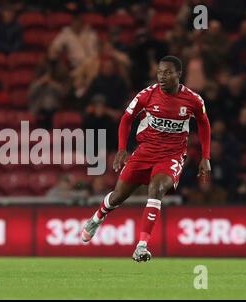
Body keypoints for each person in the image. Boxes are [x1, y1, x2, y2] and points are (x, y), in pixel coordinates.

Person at [81, 56, 211, 263]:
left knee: (157, 188)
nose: (162, 76)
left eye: (168, 73)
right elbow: (126, 119)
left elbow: (204, 124)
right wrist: (122, 149)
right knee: (117, 197)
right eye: (160, 72)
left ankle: (141, 246)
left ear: (179, 75)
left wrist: (205, 157)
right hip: (144, 152)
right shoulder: (147, 95)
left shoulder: (193, 100)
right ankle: (97, 218)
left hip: (171, 155)